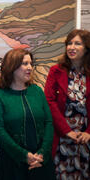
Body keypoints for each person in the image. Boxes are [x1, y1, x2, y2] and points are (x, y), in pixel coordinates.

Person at [0, 49, 55, 180]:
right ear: (12, 67)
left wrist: (42, 153)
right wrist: (24, 155)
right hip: (12, 164)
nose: (30, 67)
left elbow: (49, 122)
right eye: (25, 63)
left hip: (41, 161)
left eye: (31, 63)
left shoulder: (37, 91)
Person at [44, 29, 90, 179]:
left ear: (87, 47)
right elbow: (49, 101)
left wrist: (88, 132)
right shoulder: (55, 71)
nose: (72, 47)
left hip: (86, 140)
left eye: (77, 43)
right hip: (62, 138)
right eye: (69, 43)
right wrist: (66, 131)